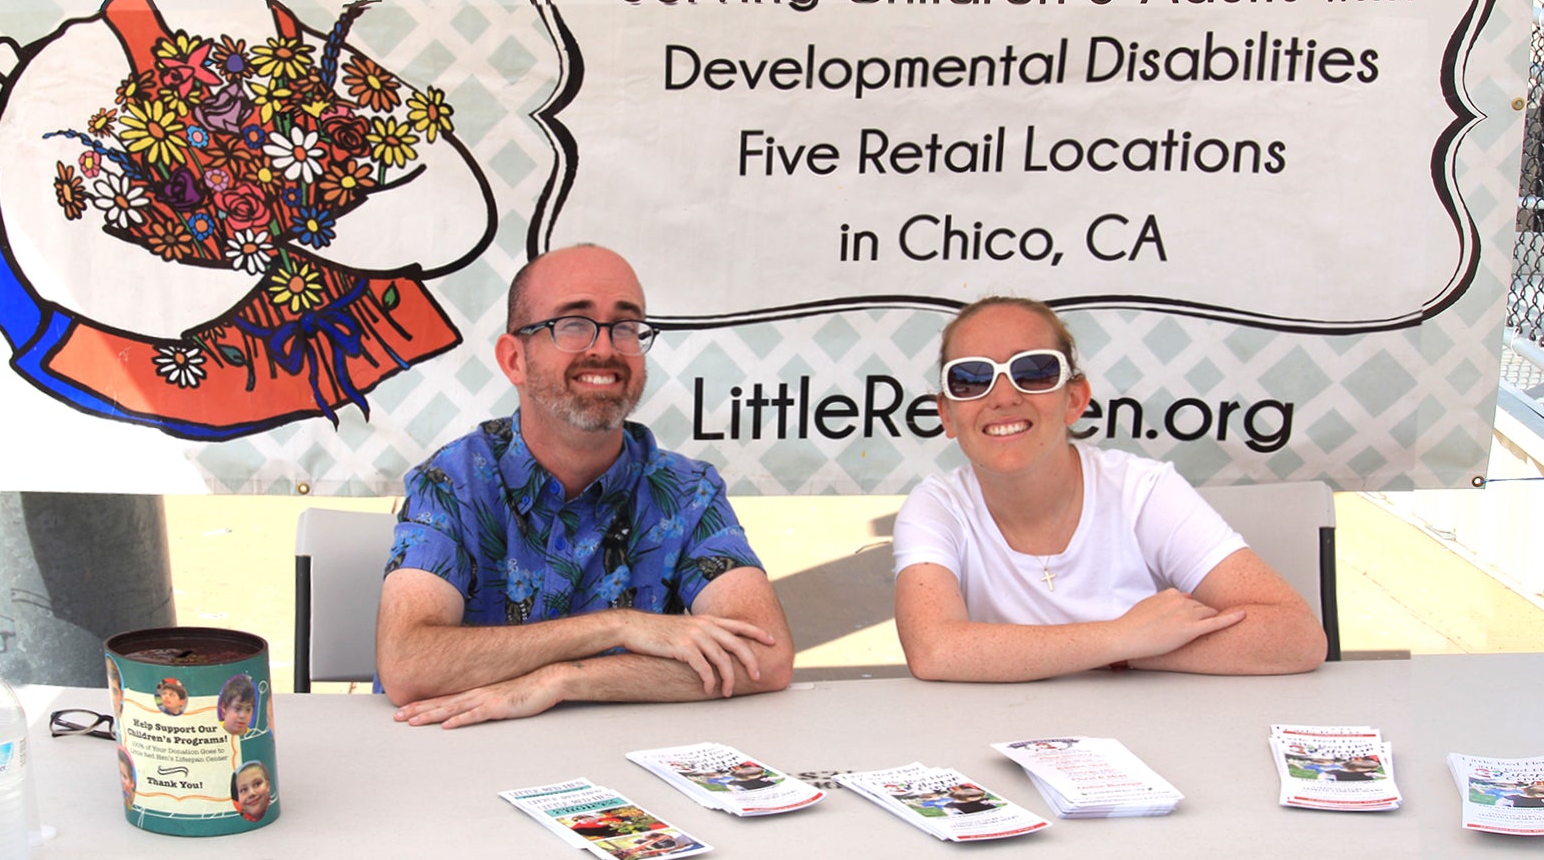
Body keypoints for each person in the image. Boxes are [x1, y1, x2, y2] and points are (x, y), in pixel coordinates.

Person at [376, 245, 794, 727]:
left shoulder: (686, 491)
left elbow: (765, 658)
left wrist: (565, 681)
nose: (605, 348)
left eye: (625, 326)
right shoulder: (453, 483)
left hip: (626, 765)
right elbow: (409, 664)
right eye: (573, 324)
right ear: (514, 359)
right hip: (459, 761)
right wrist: (619, 626)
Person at [893, 296, 1328, 681]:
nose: (1003, 396)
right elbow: (935, 651)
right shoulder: (937, 506)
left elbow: (1296, 636)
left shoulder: (1143, 490)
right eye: (970, 378)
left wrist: (1125, 655)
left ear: (1076, 399)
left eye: (1035, 372)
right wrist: (1122, 637)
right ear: (947, 415)